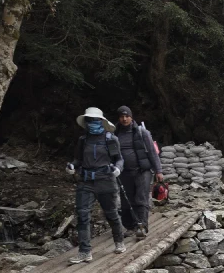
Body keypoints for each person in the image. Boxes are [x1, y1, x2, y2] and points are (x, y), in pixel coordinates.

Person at [66, 107, 126, 264]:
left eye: (94, 121)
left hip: (106, 181)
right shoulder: (83, 140)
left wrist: (118, 169)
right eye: (89, 121)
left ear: (101, 122)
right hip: (86, 182)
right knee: (83, 215)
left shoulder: (110, 139)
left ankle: (119, 241)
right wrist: (72, 166)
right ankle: (85, 251)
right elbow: (77, 159)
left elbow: (119, 159)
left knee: (111, 213)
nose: (91, 123)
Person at [114, 105, 163, 239]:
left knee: (141, 199)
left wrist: (158, 170)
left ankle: (141, 227)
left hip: (142, 170)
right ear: (118, 118)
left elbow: (152, 153)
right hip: (124, 172)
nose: (124, 119)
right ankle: (130, 226)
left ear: (131, 117)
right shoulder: (115, 133)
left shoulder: (142, 132)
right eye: (122, 116)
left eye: (127, 116)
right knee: (126, 200)